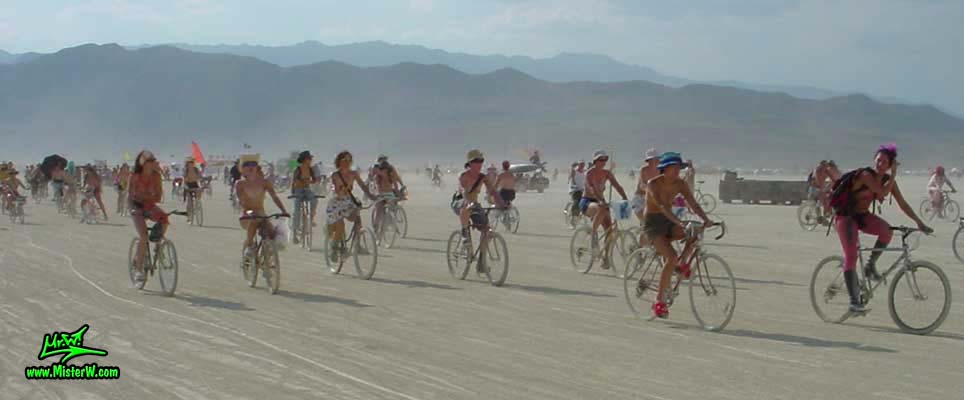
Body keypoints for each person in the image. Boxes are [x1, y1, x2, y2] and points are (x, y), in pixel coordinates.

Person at [833, 144, 931, 313]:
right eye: (878, 160)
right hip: (846, 217)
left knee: (887, 231)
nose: (880, 164)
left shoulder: (888, 181)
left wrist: (919, 222)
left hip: (862, 217)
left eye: (884, 162)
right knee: (851, 255)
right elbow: (882, 193)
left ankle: (870, 266)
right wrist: (893, 174)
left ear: (890, 163)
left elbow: (902, 204)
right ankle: (853, 302)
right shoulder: (865, 175)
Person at [643, 152, 714, 319]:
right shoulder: (653, 184)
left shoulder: (680, 184)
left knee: (694, 232)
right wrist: (680, 222)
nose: (676, 171)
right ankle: (659, 301)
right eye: (673, 168)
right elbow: (661, 206)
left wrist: (706, 219)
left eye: (678, 168)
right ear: (664, 169)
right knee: (671, 256)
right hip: (653, 223)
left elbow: (692, 202)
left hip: (670, 220)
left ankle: (682, 264)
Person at [580, 150, 628, 269]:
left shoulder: (607, 173)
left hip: (601, 202)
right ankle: (592, 233)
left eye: (605, 160)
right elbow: (590, 188)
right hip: (588, 202)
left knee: (610, 231)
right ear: (595, 161)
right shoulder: (589, 173)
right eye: (601, 160)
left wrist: (625, 198)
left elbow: (617, 186)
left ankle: (606, 257)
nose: (603, 162)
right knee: (601, 208)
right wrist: (599, 199)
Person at [236, 154, 289, 257]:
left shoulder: (265, 183)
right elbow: (242, 202)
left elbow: (275, 197)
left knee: (271, 234)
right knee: (253, 223)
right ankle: (249, 248)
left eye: (253, 164)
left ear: (257, 167)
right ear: (243, 169)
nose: (251, 167)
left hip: (261, 214)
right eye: (247, 165)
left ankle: (267, 263)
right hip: (247, 215)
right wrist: (249, 212)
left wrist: (283, 210)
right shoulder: (240, 184)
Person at [326, 151, 375, 261]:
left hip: (348, 201)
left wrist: (371, 196)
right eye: (345, 160)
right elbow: (332, 188)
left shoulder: (353, 174)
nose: (347, 163)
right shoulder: (335, 175)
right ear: (339, 161)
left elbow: (362, 185)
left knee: (357, 219)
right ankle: (334, 247)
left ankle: (357, 244)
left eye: (349, 160)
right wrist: (338, 191)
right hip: (336, 203)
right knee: (340, 225)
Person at [129, 151, 168, 285]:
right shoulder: (135, 176)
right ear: (143, 164)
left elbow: (158, 196)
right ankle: (138, 269)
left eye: (153, 161)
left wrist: (145, 198)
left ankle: (158, 246)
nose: (152, 164)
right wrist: (136, 205)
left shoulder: (156, 176)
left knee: (164, 219)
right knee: (144, 237)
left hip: (149, 206)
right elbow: (132, 196)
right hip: (137, 207)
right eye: (149, 162)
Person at [451, 150, 506, 243]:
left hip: (474, 205)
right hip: (459, 202)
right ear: (470, 163)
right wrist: (470, 202)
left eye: (481, 161)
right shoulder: (463, 175)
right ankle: (465, 232)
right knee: (465, 206)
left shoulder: (483, 177)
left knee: (486, 229)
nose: (479, 163)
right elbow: (463, 191)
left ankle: (482, 256)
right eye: (476, 161)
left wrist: (502, 203)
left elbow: (493, 191)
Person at [371, 155, 406, 234]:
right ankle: (382, 226)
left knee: (383, 210)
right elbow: (396, 183)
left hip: (383, 194)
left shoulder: (383, 170)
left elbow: (395, 180)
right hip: (385, 193)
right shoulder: (386, 170)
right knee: (383, 209)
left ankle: (380, 227)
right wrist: (399, 193)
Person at [290, 151, 320, 244]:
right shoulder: (297, 169)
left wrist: (312, 181)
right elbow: (293, 182)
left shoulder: (310, 169)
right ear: (305, 160)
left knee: (315, 199)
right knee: (297, 211)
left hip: (307, 190)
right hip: (298, 190)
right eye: (309, 159)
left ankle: (311, 218)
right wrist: (294, 192)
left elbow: (315, 179)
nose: (311, 160)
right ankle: (295, 232)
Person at [633, 148, 661, 226]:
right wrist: (650, 190)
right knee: (645, 220)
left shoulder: (661, 171)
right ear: (648, 161)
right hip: (640, 198)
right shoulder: (644, 170)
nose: (655, 162)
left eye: (657, 159)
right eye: (652, 160)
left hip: (653, 198)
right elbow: (642, 185)